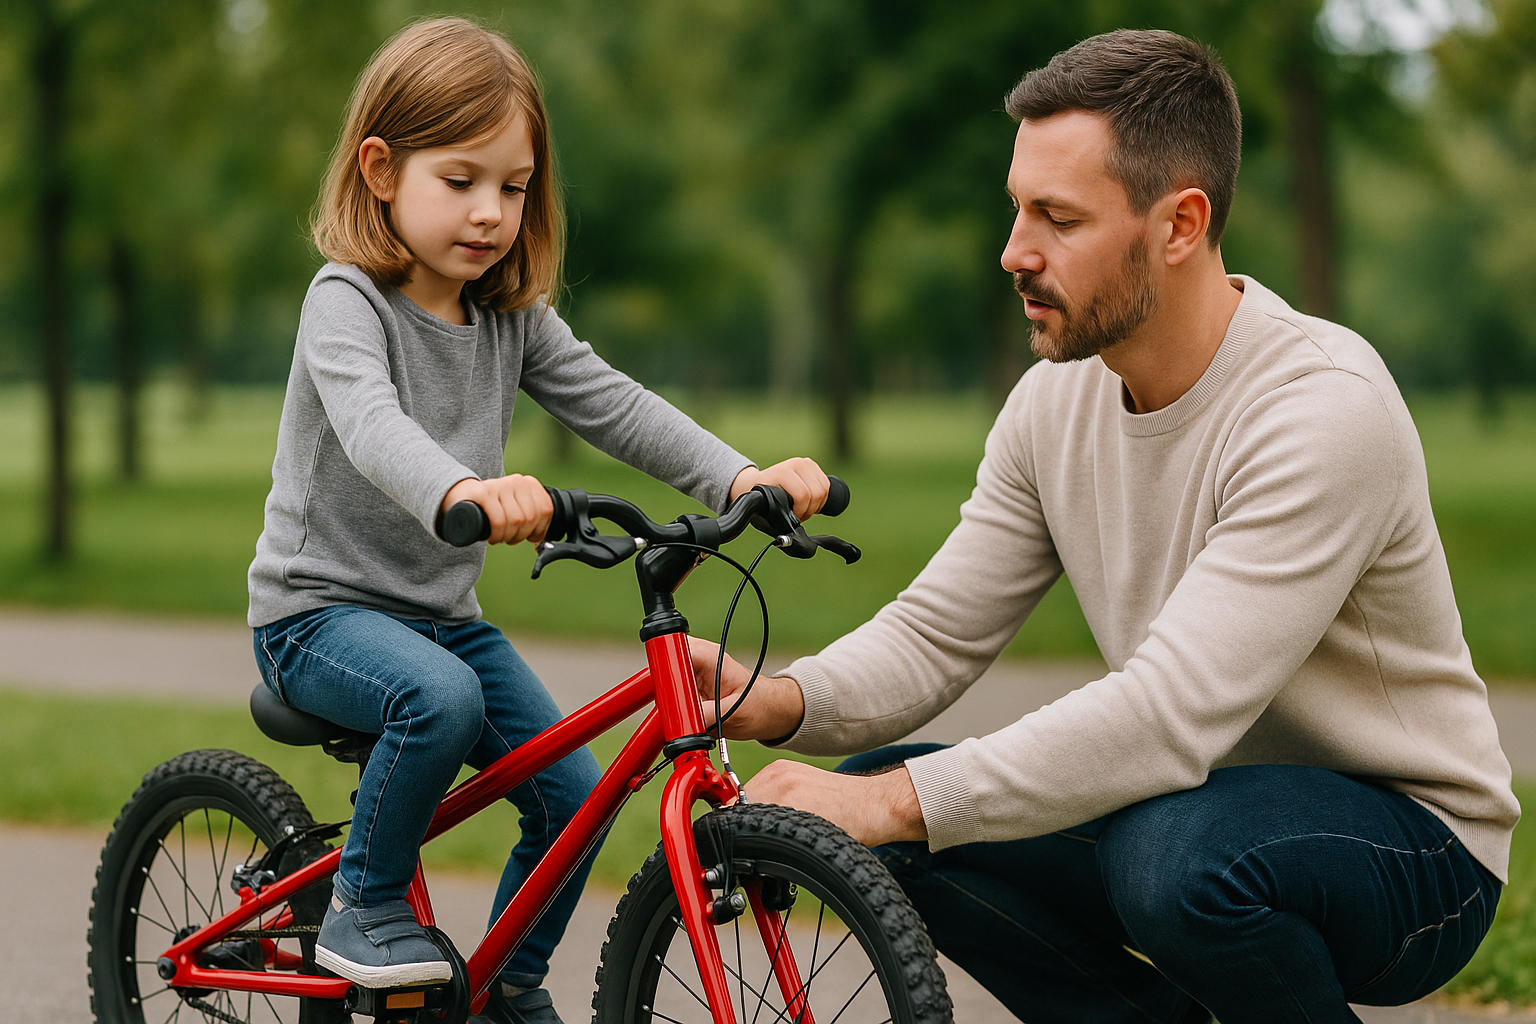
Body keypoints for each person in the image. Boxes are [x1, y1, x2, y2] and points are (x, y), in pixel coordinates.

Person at [692, 28, 1518, 1024]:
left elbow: (1166, 717)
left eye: (1059, 218)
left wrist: (896, 798)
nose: (1015, 252)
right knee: (881, 816)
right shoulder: (1055, 403)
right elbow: (939, 633)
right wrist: (776, 699)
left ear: (1179, 224)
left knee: (1163, 859)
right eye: (1015, 210)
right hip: (1190, 803)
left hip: (1418, 849)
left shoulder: (1321, 409)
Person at [245, 18, 830, 1024]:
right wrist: (461, 492)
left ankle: (507, 984)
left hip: (438, 617)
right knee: (439, 699)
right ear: (380, 170)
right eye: (461, 180)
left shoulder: (509, 314)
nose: (489, 212)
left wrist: (740, 477)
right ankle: (360, 905)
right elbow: (372, 423)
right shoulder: (346, 303)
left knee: (571, 787)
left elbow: (613, 401)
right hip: (316, 616)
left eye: (512, 188)